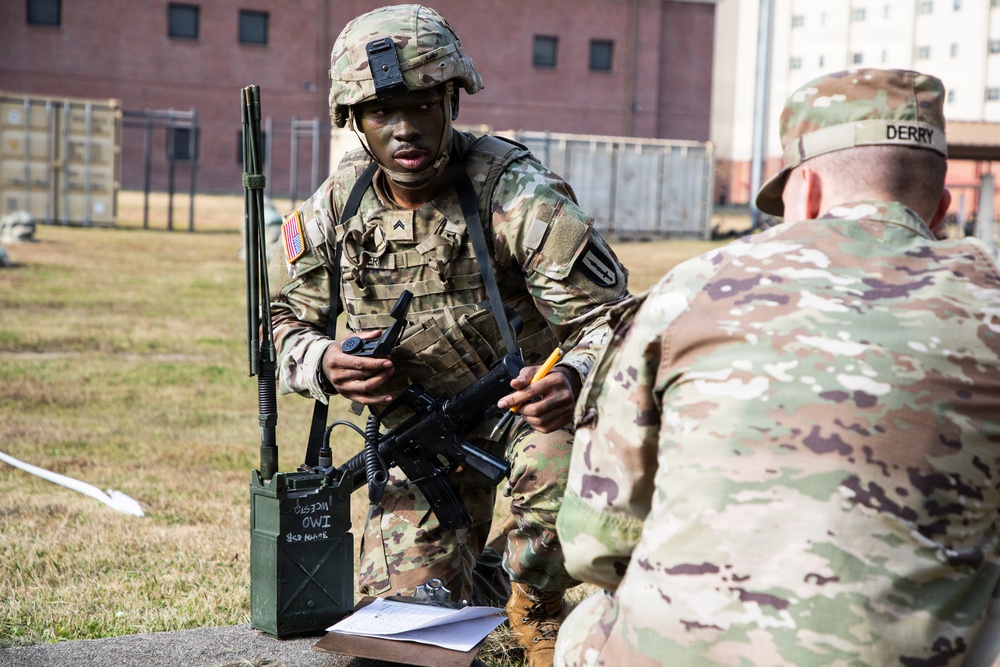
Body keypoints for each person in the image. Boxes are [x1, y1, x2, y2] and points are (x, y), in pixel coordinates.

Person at [554, 68, 1000, 666]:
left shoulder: (688, 289)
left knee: (588, 622)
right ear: (942, 208)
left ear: (807, 190)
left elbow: (595, 545)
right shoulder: (990, 298)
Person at [268, 5, 629, 665]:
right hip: (417, 440)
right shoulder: (338, 205)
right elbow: (281, 321)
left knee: (559, 465)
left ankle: (538, 605)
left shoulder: (515, 192)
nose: (406, 129)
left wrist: (571, 376)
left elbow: (613, 320)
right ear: (353, 120)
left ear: (451, 102)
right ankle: (484, 576)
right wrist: (324, 359)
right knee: (402, 640)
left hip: (523, 411)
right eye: (382, 112)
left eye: (424, 105)